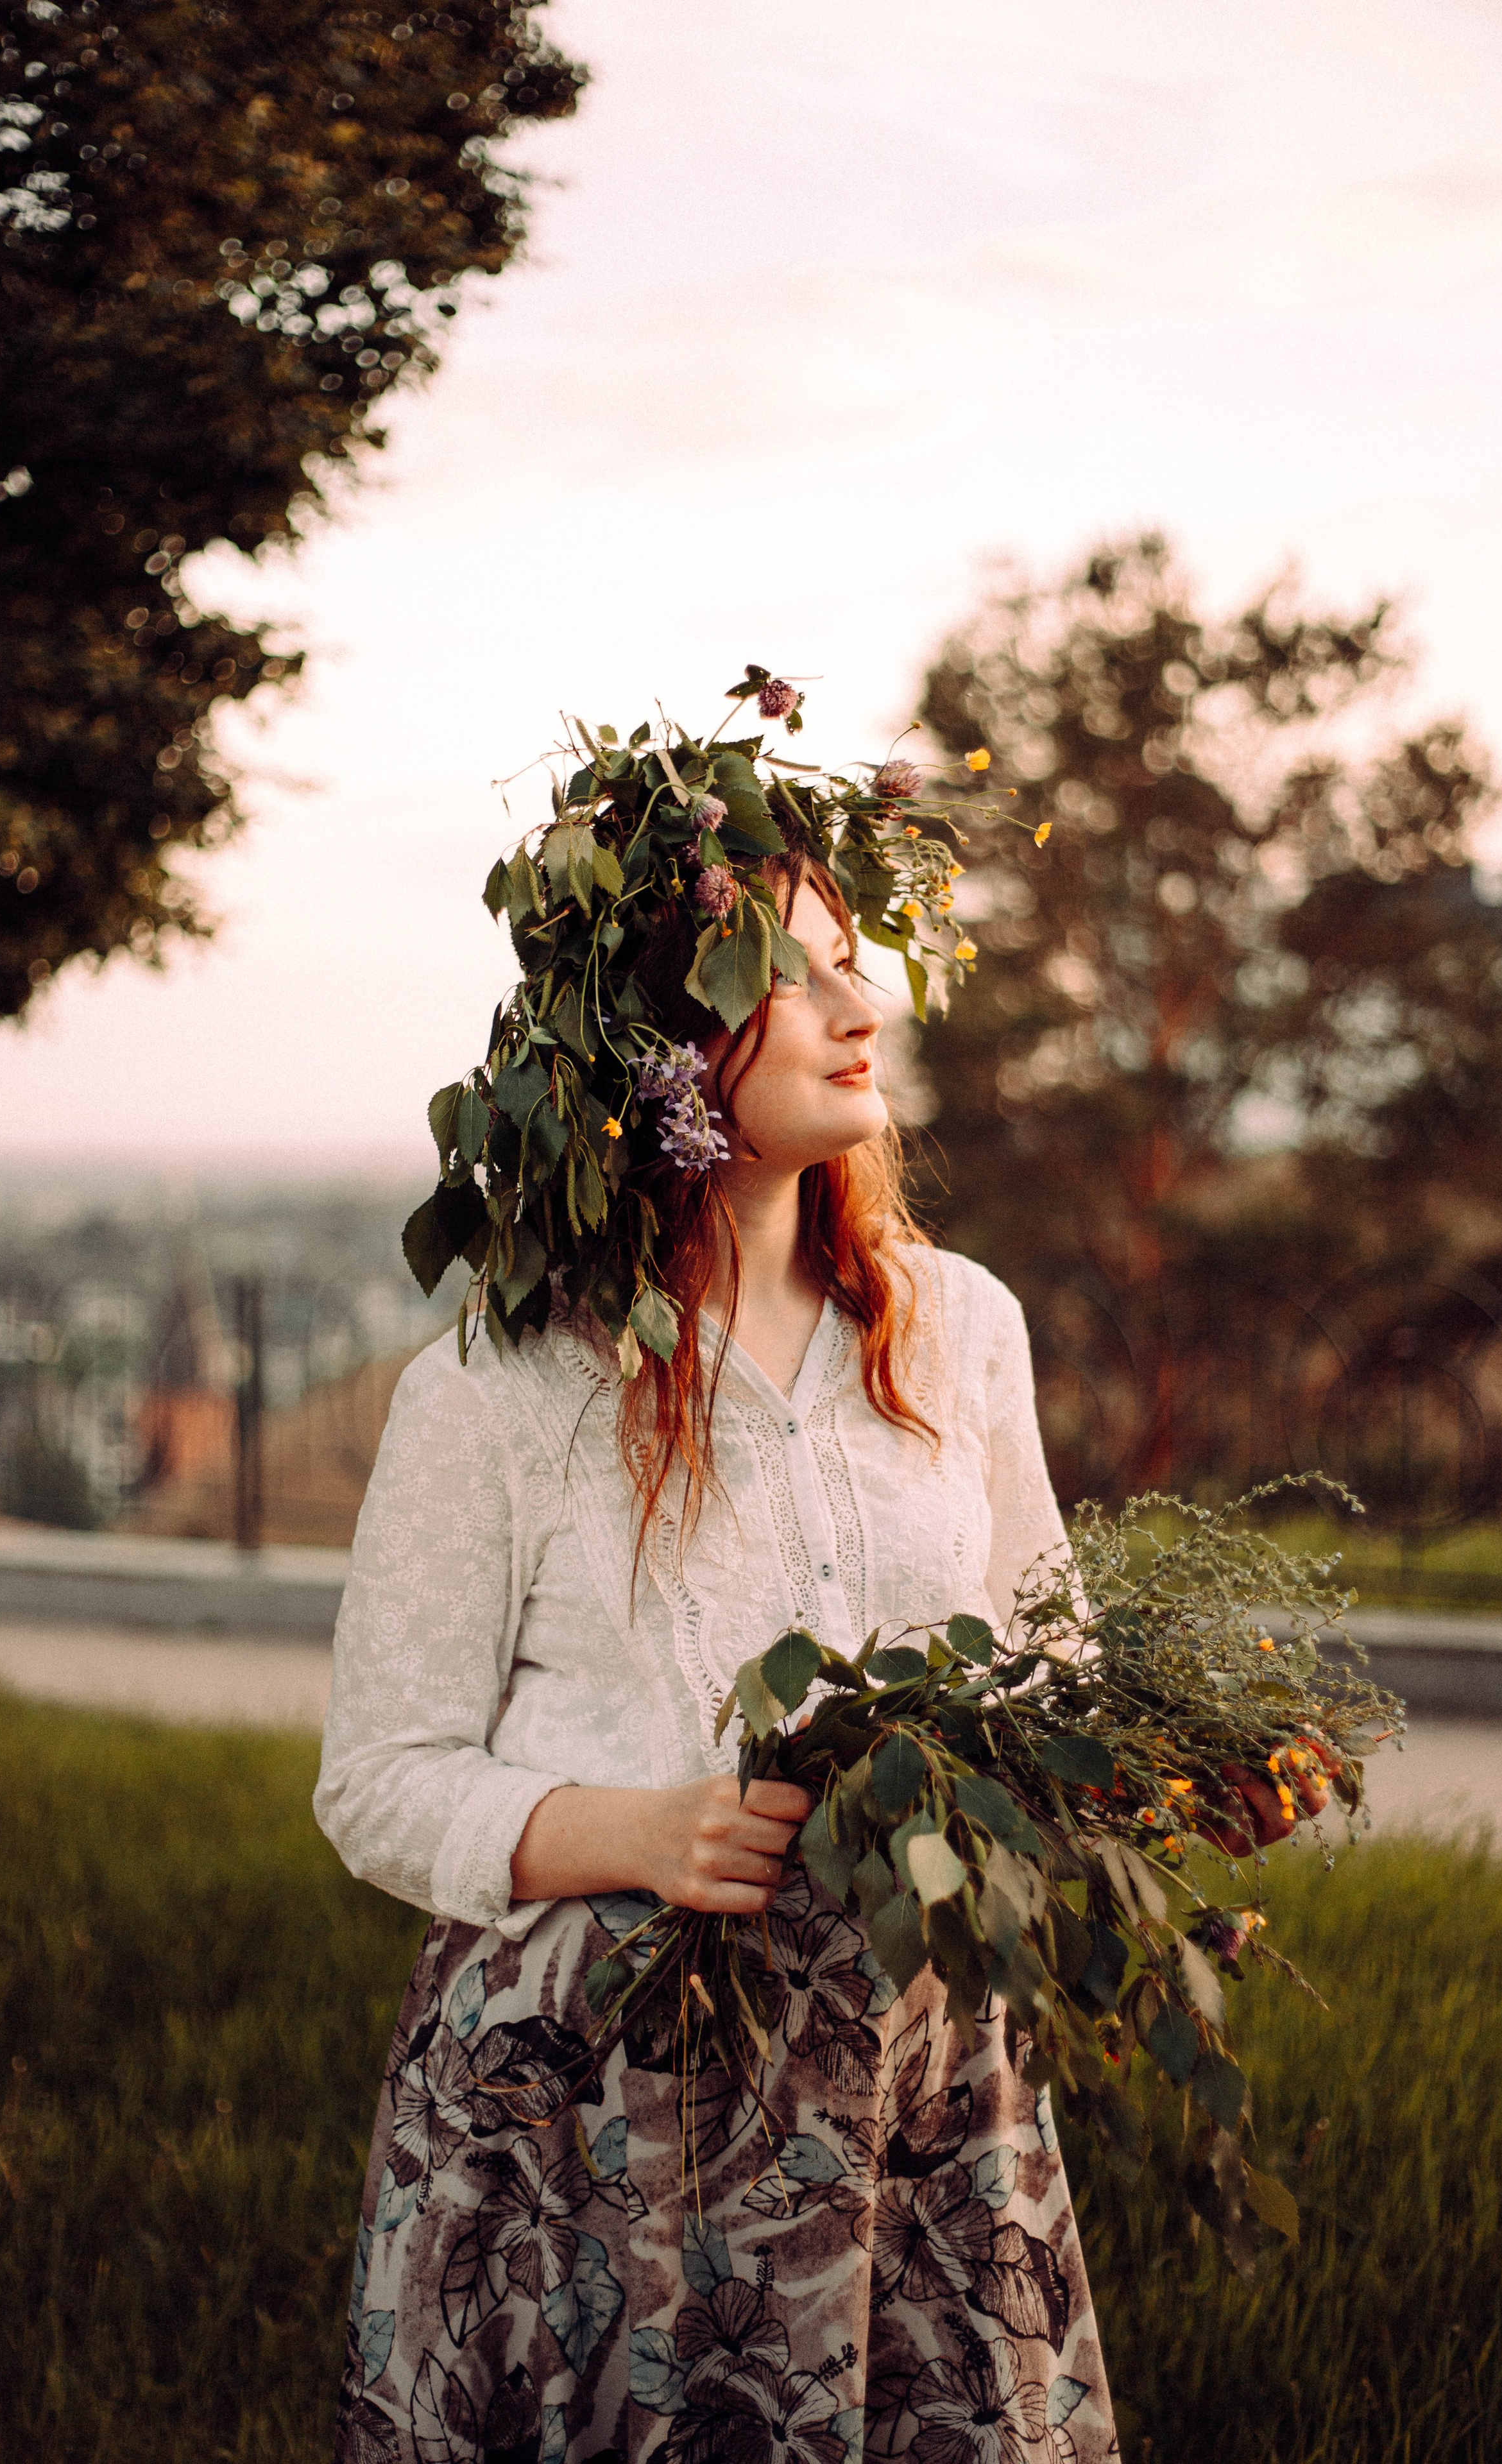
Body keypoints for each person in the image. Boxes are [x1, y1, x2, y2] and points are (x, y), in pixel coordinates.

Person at [316, 704, 1310, 2463]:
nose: (878, 1008)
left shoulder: (955, 1326)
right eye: (811, 972)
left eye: (872, 964)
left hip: (922, 2077)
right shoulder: (501, 1389)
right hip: (600, 2110)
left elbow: (1037, 1646)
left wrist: (1161, 1769)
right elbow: (378, 1783)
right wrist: (629, 1832)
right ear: (660, 1040)